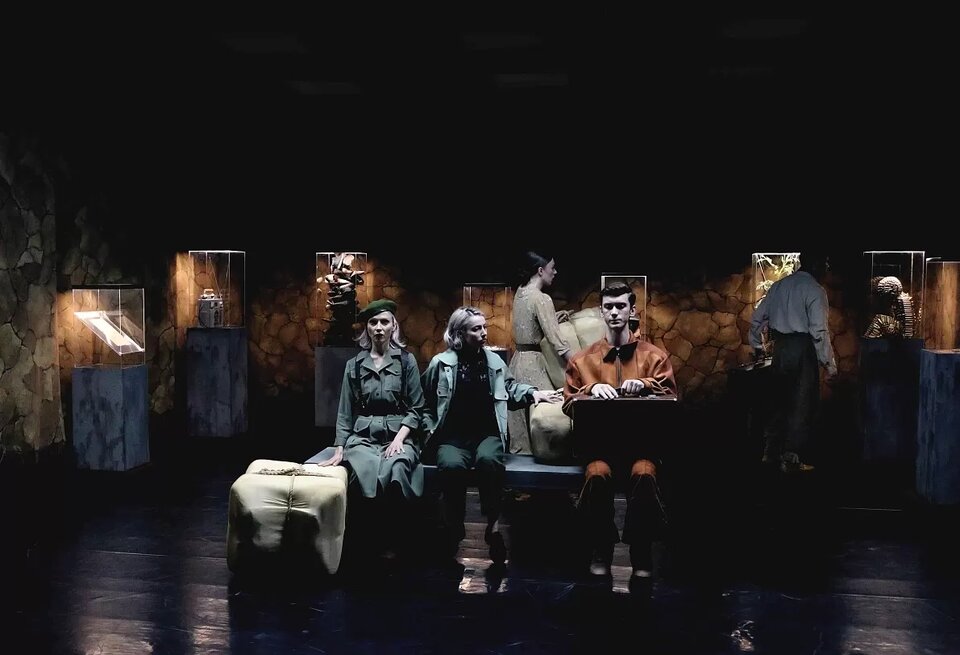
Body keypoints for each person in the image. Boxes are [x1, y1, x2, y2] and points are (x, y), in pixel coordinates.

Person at [421, 306, 561, 563]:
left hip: (486, 434)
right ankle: (454, 526)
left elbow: (510, 389)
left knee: (489, 461)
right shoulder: (440, 364)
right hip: (453, 437)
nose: (484, 333)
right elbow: (425, 401)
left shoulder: (495, 362)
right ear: (460, 334)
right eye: (476, 329)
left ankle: (493, 526)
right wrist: (429, 427)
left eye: (484, 327)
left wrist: (534, 393)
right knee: (451, 466)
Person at [562, 283, 677, 578]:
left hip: (641, 446)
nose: (614, 312)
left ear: (632, 310)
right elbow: (568, 401)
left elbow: (671, 395)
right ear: (601, 312)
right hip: (599, 447)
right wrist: (590, 388)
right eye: (608, 307)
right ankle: (601, 548)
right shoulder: (582, 359)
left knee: (644, 474)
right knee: (597, 475)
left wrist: (646, 384)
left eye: (620, 306)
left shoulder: (654, 357)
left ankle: (641, 552)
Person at [318, 298, 425, 559]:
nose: (378, 327)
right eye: (373, 322)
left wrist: (400, 439)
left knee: (397, 468)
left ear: (393, 327)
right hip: (363, 438)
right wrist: (340, 447)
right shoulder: (354, 365)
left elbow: (417, 408)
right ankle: (366, 540)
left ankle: (394, 539)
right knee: (362, 470)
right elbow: (345, 411)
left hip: (397, 435)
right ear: (367, 328)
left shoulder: (406, 362)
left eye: (384, 322)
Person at [749, 251, 837, 474]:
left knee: (778, 401)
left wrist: (757, 345)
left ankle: (770, 453)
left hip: (781, 349)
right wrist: (829, 365)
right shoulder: (815, 290)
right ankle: (790, 459)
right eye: (825, 263)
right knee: (801, 403)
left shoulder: (779, 286)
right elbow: (819, 331)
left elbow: (758, 317)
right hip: (802, 349)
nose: (827, 268)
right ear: (815, 264)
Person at [508, 251, 574, 454]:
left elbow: (531, 321)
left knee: (521, 422)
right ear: (540, 270)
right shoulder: (542, 298)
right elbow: (557, 341)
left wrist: (554, 316)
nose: (555, 272)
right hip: (535, 365)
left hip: (517, 362)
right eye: (552, 268)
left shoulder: (520, 292)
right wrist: (578, 363)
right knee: (549, 415)